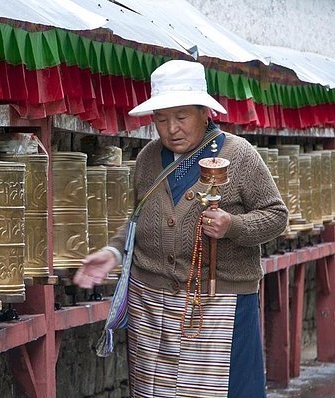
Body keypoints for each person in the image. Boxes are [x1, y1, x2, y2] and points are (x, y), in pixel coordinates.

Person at [74, 60, 288, 397]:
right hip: (152, 306)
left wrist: (232, 225)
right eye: (161, 119)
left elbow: (276, 215)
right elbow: (138, 218)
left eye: (181, 117)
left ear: (204, 112)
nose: (171, 128)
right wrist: (113, 252)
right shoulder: (147, 159)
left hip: (217, 305)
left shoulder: (239, 155)